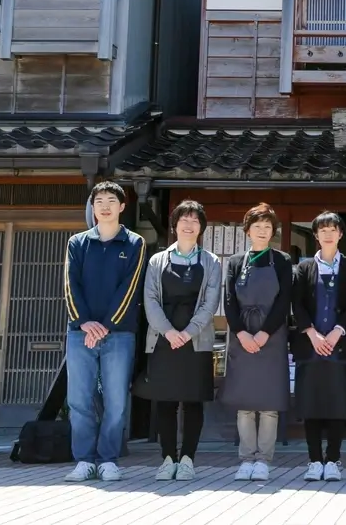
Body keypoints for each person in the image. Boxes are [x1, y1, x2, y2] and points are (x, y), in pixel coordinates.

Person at [63, 181, 146, 482]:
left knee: (115, 400)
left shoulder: (135, 243)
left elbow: (130, 288)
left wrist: (106, 325)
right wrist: (84, 322)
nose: (105, 205)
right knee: (79, 399)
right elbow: (71, 285)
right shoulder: (77, 242)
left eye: (112, 200)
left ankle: (109, 458)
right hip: (80, 332)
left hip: (119, 333)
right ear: (92, 206)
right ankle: (84, 460)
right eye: (99, 200)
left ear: (122, 207)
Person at [135, 200, 222, 481]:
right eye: (183, 219)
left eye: (195, 220)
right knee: (166, 401)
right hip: (163, 339)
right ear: (174, 225)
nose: (188, 224)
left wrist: (188, 332)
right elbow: (149, 299)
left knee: (193, 401)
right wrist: (169, 332)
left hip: (196, 341)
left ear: (201, 227)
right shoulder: (157, 260)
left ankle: (187, 459)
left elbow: (210, 304)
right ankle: (168, 458)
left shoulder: (211, 261)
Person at [221, 203, 292, 482]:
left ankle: (264, 459)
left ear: (273, 231)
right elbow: (228, 301)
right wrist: (241, 332)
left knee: (268, 402)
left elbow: (284, 299)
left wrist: (264, 332)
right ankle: (246, 458)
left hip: (271, 336)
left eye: (267, 226)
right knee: (245, 401)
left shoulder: (283, 260)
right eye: (257, 226)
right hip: (242, 336)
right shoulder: (236, 261)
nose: (263, 231)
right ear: (247, 229)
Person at [294, 211, 346, 482]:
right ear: (316, 235)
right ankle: (314, 460)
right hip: (310, 347)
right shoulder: (304, 267)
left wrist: (338, 331)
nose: (328, 233)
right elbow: (296, 303)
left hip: (340, 346)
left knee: (337, 405)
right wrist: (311, 332)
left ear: (341, 234)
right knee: (311, 405)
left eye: (333, 229)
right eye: (323, 229)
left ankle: (333, 459)